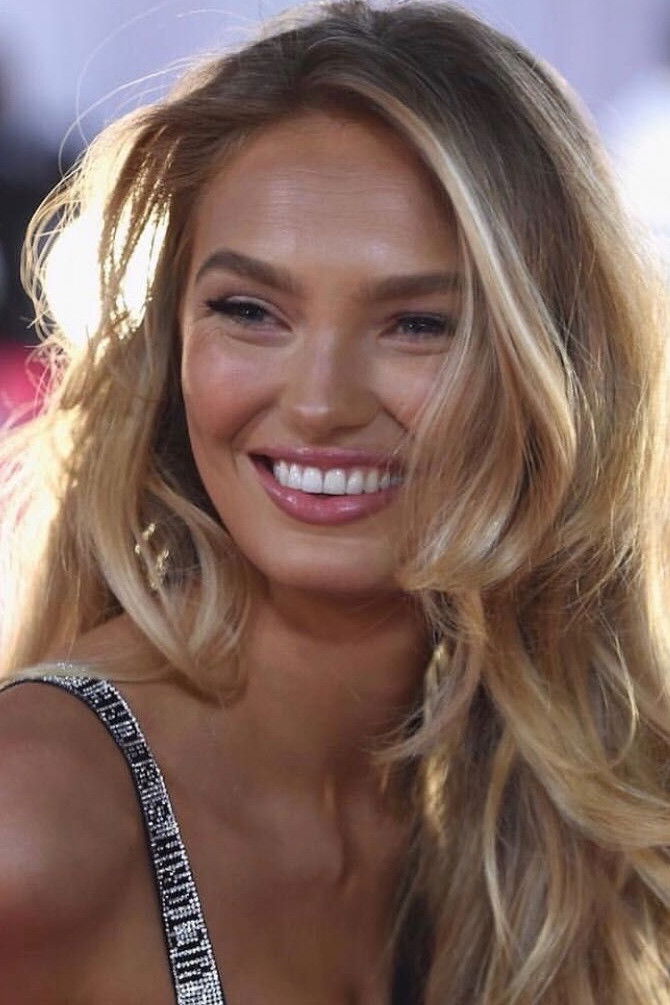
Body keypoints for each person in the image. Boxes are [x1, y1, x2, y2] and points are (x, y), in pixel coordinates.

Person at [0, 1, 668, 1001]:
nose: (318, 404)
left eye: (417, 323)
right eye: (249, 310)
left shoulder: (537, 819)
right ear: (171, 343)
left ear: (555, 368)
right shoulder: (36, 819)